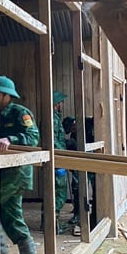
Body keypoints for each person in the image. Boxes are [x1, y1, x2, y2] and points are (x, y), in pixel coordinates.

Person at [0, 76, 41, 254]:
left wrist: (10, 139)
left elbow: (33, 137)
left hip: (16, 173)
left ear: (6, 95)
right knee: (12, 217)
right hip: (1, 172)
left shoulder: (20, 113)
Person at [52, 90, 68, 230]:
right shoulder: (52, 119)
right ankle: (53, 226)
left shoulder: (55, 117)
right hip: (57, 160)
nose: (62, 104)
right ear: (56, 104)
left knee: (55, 191)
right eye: (61, 102)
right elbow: (52, 140)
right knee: (59, 192)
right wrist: (64, 154)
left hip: (58, 158)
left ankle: (50, 224)